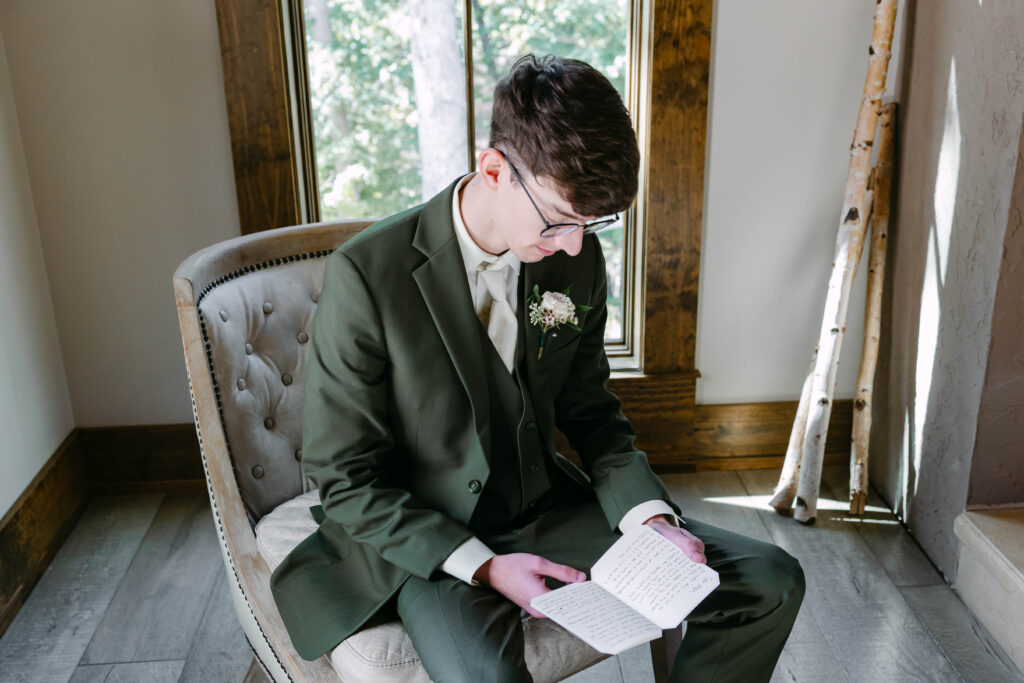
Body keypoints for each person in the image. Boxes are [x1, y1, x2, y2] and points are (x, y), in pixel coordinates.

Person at [270, 54, 805, 682]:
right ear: (493, 167)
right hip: (429, 538)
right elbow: (344, 477)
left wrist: (650, 518)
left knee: (767, 579)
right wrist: (486, 566)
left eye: (591, 224)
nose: (575, 245)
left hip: (547, 510)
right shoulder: (367, 275)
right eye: (558, 220)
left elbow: (592, 411)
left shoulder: (575, 256)